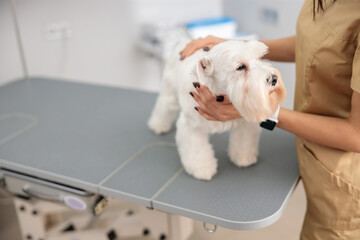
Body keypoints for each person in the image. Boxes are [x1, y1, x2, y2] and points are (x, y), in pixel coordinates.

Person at [179, 0, 360, 239]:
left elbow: (356, 135)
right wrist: (234, 48)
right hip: (310, 153)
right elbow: (314, 41)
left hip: (344, 182)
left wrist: (265, 113)